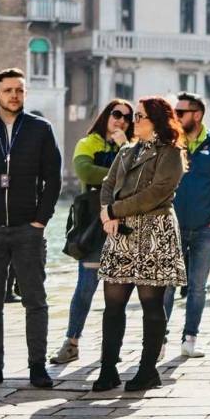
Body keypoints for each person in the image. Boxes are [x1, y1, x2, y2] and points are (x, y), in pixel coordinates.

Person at [0, 68, 63, 390]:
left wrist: (40, 220)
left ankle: (37, 366)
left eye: (19, 90)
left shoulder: (40, 129)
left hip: (27, 228)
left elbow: (53, 179)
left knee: (35, 299)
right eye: (7, 90)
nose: (14, 95)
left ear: (25, 93)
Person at [95, 96, 188, 392]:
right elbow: (109, 186)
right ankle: (107, 369)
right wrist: (107, 214)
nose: (133, 121)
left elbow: (157, 192)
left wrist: (113, 211)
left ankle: (148, 370)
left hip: (154, 232)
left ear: (157, 120)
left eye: (140, 116)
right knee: (113, 303)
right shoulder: (126, 150)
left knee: (151, 302)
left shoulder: (170, 153)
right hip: (120, 232)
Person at [52, 99, 132, 365]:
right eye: (116, 114)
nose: (121, 119)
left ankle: (112, 347)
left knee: (119, 291)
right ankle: (71, 341)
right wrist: (120, 175)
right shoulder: (89, 143)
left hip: (126, 224)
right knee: (85, 288)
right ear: (106, 116)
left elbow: (139, 174)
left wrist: (123, 146)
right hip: (93, 227)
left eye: (127, 117)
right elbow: (84, 171)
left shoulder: (131, 146)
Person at [163, 91, 210, 360]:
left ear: (197, 114)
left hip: (206, 229)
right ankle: (159, 339)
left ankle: (190, 338)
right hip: (172, 228)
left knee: (197, 287)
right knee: (167, 284)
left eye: (180, 113)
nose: (176, 117)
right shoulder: (171, 144)